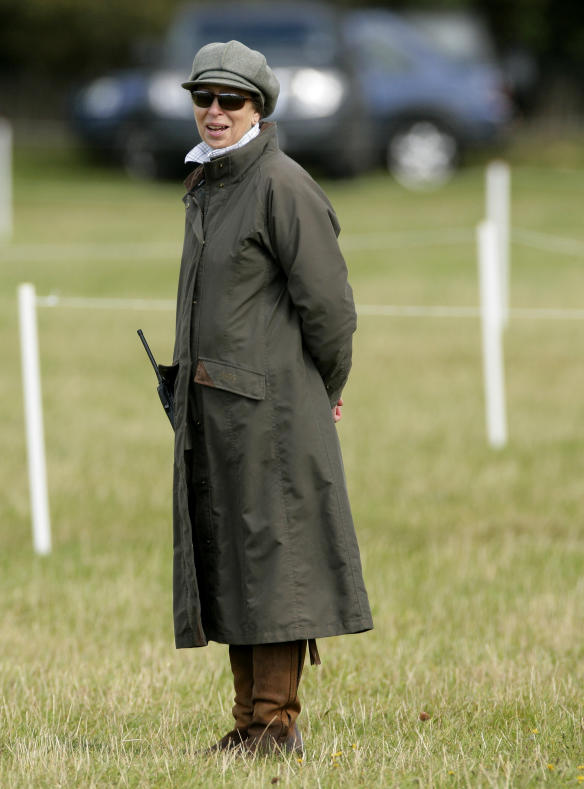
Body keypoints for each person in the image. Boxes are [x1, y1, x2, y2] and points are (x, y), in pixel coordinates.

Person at [166, 40, 373, 756]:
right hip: (218, 407)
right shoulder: (212, 180)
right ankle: (250, 720)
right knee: (233, 556)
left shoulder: (281, 183)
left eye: (231, 100)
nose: (215, 112)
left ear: (259, 108)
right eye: (205, 97)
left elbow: (332, 309)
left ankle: (277, 722)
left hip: (273, 411)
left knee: (275, 561)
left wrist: (327, 387)